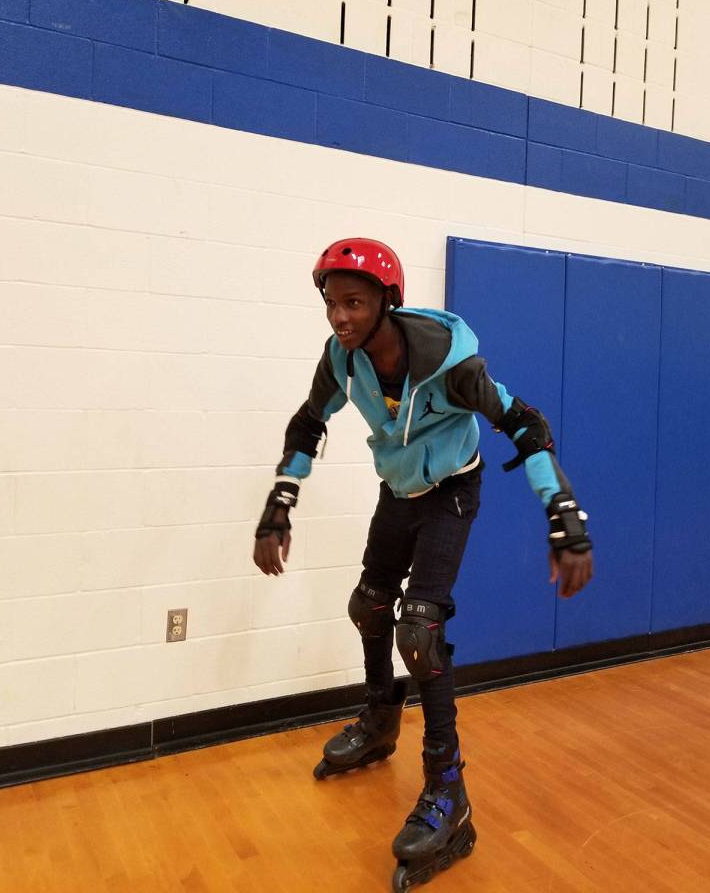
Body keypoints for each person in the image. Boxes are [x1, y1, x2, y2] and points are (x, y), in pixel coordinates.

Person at [253, 237, 593, 891]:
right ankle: (381, 719)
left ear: (388, 301)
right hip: (400, 490)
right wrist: (280, 502)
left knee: (420, 631)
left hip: (452, 494)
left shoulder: (449, 364)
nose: (340, 317)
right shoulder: (341, 360)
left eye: (354, 302)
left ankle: (448, 792)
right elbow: (306, 423)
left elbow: (526, 424)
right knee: (368, 607)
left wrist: (564, 514)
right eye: (331, 304)